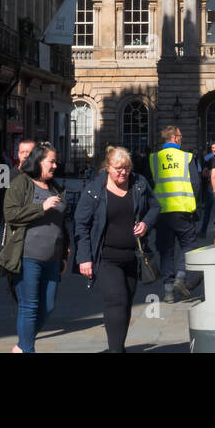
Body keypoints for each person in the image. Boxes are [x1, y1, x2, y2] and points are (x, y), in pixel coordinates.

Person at [74, 147, 159, 353]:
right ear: (108, 167)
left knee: (126, 304)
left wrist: (146, 224)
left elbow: (155, 207)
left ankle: (118, 346)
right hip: (106, 257)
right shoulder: (95, 189)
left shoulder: (139, 183)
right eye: (118, 168)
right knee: (116, 300)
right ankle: (116, 350)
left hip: (132, 256)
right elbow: (81, 224)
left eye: (126, 168)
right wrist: (84, 258)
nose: (123, 173)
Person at [0, 142, 69, 353]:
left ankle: (21, 346)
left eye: (55, 161)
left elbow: (62, 223)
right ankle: (28, 349)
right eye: (51, 161)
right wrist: (41, 207)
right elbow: (10, 214)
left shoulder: (56, 187)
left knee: (48, 306)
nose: (55, 165)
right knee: (29, 307)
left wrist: (65, 250)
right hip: (27, 256)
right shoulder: (21, 183)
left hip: (53, 258)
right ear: (38, 161)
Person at [150, 126, 203, 303]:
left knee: (166, 251)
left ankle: (168, 292)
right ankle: (181, 277)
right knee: (189, 244)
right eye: (180, 136)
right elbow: (195, 184)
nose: (182, 138)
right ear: (174, 137)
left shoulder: (154, 158)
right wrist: (195, 204)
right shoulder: (186, 157)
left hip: (161, 211)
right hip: (182, 209)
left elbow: (148, 185)